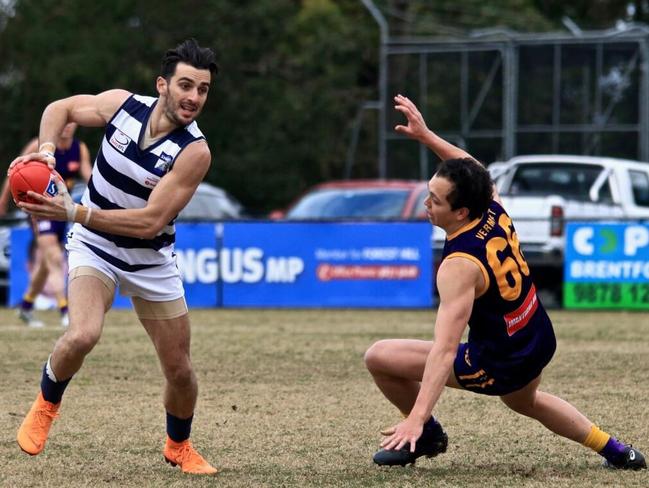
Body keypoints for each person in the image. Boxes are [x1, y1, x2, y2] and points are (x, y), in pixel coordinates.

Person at [364, 94, 646, 470]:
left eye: (434, 200)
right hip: (537, 334)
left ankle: (426, 433)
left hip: (499, 360)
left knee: (379, 357)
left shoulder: (459, 264)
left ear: (461, 211)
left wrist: (416, 415)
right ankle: (616, 451)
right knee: (525, 401)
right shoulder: (492, 205)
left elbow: (444, 351)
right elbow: (474, 169)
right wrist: (427, 136)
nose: (426, 204)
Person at [12, 38, 219, 475]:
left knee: (180, 371)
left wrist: (74, 211)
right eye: (185, 85)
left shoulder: (194, 152)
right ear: (162, 84)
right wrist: (46, 153)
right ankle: (47, 403)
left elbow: (148, 222)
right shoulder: (123, 106)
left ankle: (178, 446)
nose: (193, 97)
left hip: (150, 260)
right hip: (96, 247)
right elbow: (60, 109)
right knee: (83, 334)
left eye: (202, 89)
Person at [0, 123, 92, 328]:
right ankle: (65, 310)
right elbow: (14, 173)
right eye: (64, 123)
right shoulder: (40, 146)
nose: (67, 128)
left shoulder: (80, 148)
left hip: (62, 209)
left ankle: (25, 306)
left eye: (71, 123)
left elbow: (90, 176)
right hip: (39, 210)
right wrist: (3, 200)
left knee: (46, 263)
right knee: (55, 258)